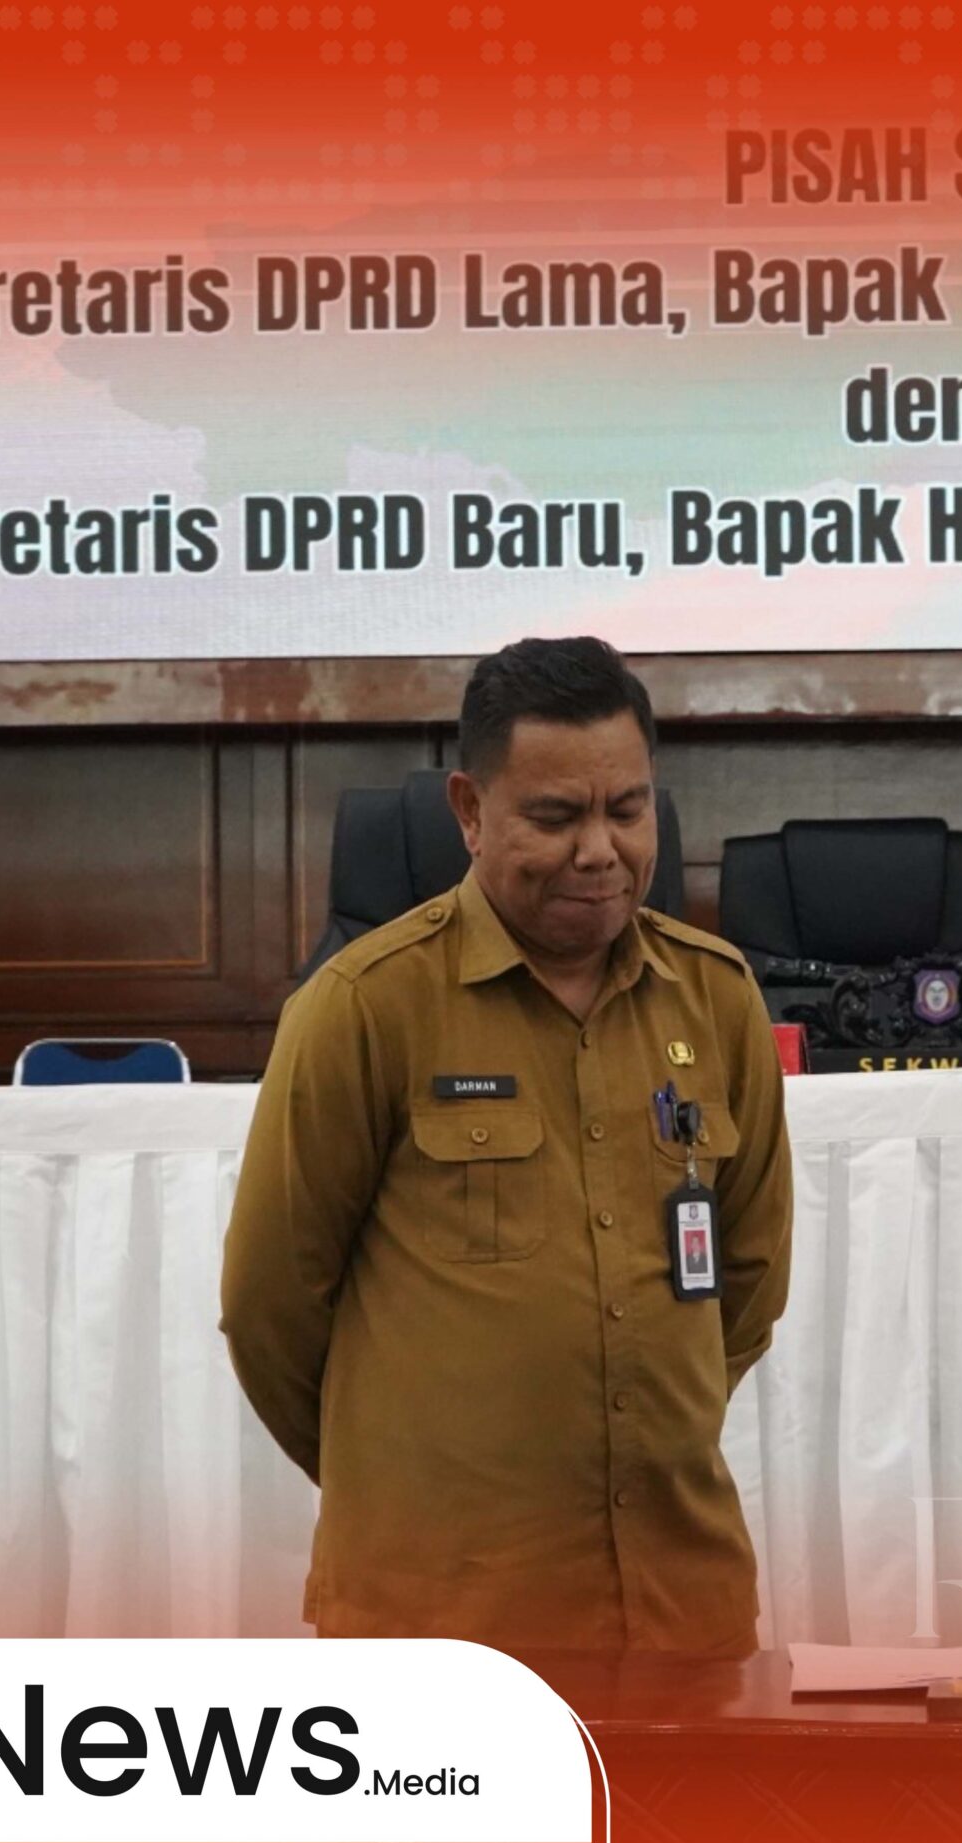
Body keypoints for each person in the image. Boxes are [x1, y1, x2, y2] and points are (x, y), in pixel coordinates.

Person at [220, 636, 792, 1658]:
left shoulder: (715, 996)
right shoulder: (365, 1006)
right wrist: (411, 1486)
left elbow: (745, 1281)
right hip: (441, 1619)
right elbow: (271, 1308)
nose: (600, 851)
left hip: (680, 1607)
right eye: (556, 816)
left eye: (628, 810)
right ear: (471, 811)